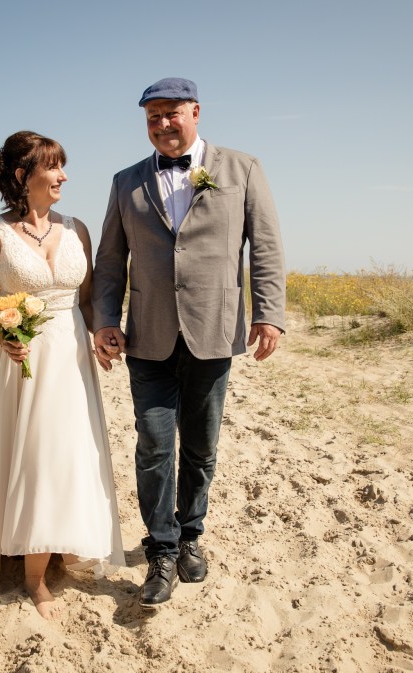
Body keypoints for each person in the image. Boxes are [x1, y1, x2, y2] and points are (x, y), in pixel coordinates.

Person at [92, 78, 286, 608]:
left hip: (214, 329)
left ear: (195, 112)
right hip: (147, 333)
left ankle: (191, 536)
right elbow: (110, 261)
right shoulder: (125, 182)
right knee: (154, 445)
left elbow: (265, 247)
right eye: (152, 116)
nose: (161, 124)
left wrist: (269, 314)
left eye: (170, 113)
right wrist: (105, 318)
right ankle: (161, 548)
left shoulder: (242, 169)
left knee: (200, 448)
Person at [0, 130, 125, 619]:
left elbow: (84, 300)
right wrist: (4, 337)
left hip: (71, 361)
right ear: (24, 176)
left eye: (63, 165)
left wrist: (100, 334)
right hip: (21, 359)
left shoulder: (77, 228)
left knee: (67, 452)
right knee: (32, 454)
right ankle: (33, 577)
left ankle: (58, 537)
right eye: (53, 167)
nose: (64, 175)